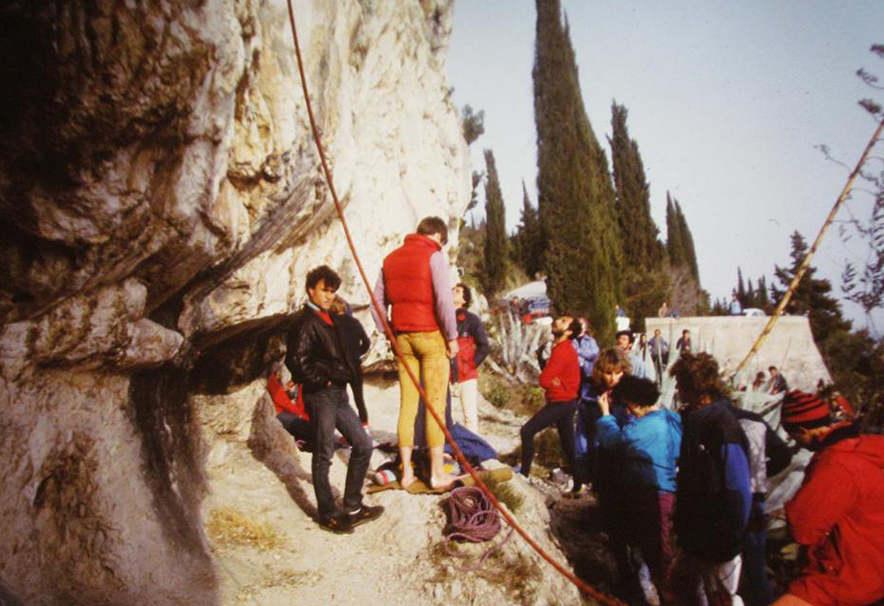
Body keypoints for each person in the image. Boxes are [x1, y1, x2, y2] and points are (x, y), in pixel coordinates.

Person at [286, 265, 383, 533]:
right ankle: (327, 513)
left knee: (363, 444)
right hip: (321, 395)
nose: (328, 296)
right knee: (324, 452)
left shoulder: (327, 318)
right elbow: (296, 361)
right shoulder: (305, 322)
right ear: (310, 290)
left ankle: (352, 506)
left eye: (332, 291)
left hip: (339, 394)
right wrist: (323, 380)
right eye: (324, 290)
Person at [772, 390, 884, 606]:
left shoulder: (835, 463)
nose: (795, 442)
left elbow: (803, 528)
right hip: (873, 560)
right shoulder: (862, 449)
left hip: (848, 575)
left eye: (793, 436)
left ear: (803, 430)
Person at [371, 217, 459, 489]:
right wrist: (452, 337)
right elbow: (444, 300)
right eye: (442, 243)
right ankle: (436, 473)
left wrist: (388, 333)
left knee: (407, 406)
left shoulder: (390, 259)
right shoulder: (433, 256)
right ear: (438, 236)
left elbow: (376, 303)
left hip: (402, 339)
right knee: (435, 407)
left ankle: (406, 472)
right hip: (430, 336)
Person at [669, 352, 751, 606]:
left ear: (694, 388)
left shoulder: (721, 425)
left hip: (718, 535)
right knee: (683, 587)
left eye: (680, 384)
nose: (676, 389)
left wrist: (731, 535)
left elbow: (738, 487)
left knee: (721, 597)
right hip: (698, 531)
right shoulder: (696, 420)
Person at [596, 375, 682, 604]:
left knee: (655, 553)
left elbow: (614, 441)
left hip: (648, 493)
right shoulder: (670, 419)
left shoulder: (644, 427)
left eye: (627, 406)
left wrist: (605, 415)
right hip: (665, 490)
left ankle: (666, 598)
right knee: (656, 548)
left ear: (633, 403)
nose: (628, 412)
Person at [517, 316, 581, 479]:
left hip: (561, 402)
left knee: (527, 431)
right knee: (568, 445)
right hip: (566, 401)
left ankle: (524, 474)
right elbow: (550, 377)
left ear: (569, 331)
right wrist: (555, 380)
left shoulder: (562, 351)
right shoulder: (561, 348)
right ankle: (579, 482)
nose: (557, 321)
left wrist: (554, 382)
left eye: (563, 321)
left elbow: (544, 380)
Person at [450, 283, 489, 434]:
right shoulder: (441, 315)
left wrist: (470, 365)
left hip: (466, 375)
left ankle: (472, 453)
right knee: (444, 415)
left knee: (470, 416)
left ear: (464, 300)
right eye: (452, 289)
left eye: (457, 291)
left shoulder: (472, 319)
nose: (453, 292)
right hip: (445, 374)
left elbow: (483, 346)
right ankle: (446, 450)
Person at [329, 296, 372, 426]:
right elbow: (367, 342)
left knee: (340, 400)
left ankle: (346, 428)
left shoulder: (332, 324)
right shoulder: (355, 322)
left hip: (340, 366)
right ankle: (364, 425)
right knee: (359, 399)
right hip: (355, 365)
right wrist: (356, 353)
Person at [571, 317, 600, 494]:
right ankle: (581, 472)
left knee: (592, 435)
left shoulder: (591, 341)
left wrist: (578, 354)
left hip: (590, 384)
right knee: (580, 435)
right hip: (577, 385)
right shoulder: (571, 341)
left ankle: (593, 472)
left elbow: (593, 355)